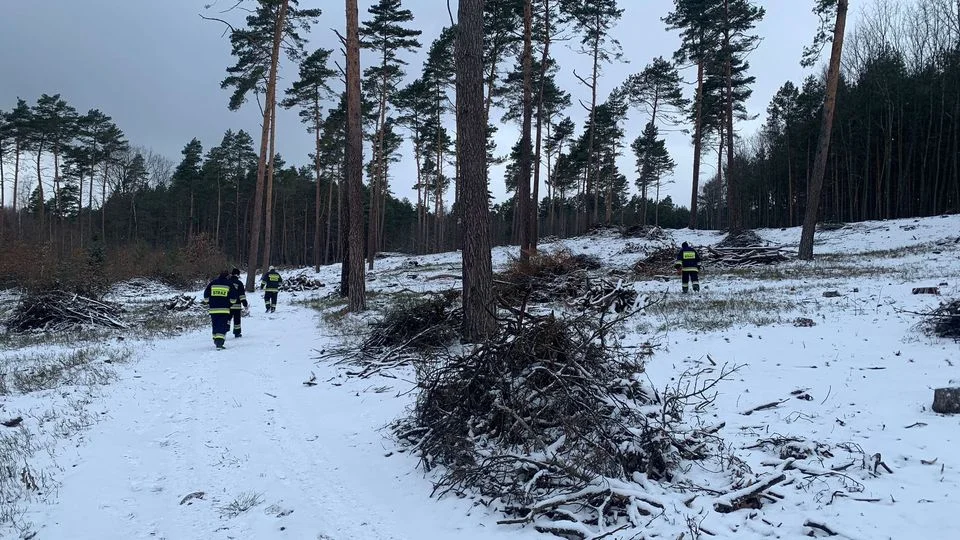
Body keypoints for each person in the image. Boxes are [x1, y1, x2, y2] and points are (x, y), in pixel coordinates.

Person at [203, 269, 239, 349]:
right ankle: (219, 342)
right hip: (224, 309)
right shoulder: (229, 284)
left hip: (213, 309)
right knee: (222, 325)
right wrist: (229, 304)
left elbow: (206, 294)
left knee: (215, 324)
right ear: (227, 276)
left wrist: (209, 302)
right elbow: (233, 298)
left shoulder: (212, 283)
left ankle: (215, 339)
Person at [228, 267, 249, 337]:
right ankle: (237, 333)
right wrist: (245, 304)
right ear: (238, 275)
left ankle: (223, 331)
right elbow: (242, 295)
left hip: (227, 306)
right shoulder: (239, 283)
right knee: (237, 320)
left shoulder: (227, 282)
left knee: (227, 319)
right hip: (237, 305)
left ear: (232, 274)